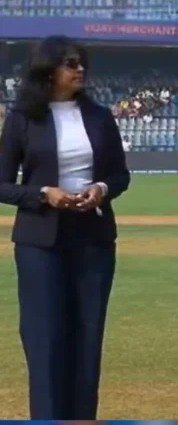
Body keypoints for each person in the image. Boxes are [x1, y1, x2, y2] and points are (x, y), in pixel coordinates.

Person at [0, 35, 130, 419]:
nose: (79, 70)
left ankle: (80, 418)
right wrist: (43, 194)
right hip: (40, 241)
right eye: (70, 63)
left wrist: (101, 189)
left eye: (81, 63)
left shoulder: (100, 116)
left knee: (88, 336)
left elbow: (120, 175)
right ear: (48, 70)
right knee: (44, 336)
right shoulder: (23, 118)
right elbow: (3, 184)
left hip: (93, 239)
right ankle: (46, 417)